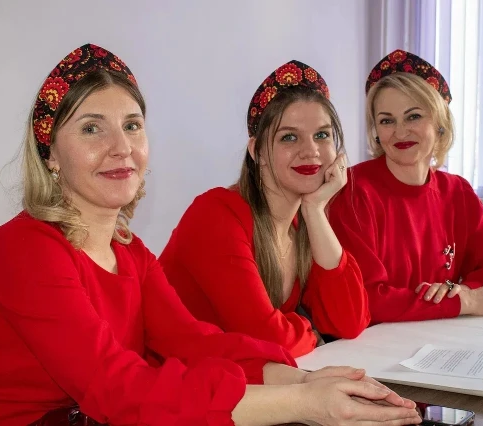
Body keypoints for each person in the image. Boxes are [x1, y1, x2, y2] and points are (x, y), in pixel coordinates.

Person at [0, 44, 421, 426]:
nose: (121, 147)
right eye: (92, 129)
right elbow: (116, 387)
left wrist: (300, 380)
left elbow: (194, 342)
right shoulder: (26, 251)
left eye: (132, 126)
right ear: (50, 153)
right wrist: (304, 402)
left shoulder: (129, 252)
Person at [159, 60, 370, 358]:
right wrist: (309, 330)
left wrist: (314, 210)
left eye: (322, 135)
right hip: (177, 379)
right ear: (256, 151)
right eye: (289, 137)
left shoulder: (299, 226)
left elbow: (349, 322)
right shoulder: (216, 214)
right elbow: (265, 338)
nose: (311, 150)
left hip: (241, 379)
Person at [329, 49, 483, 324]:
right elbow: (366, 299)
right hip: (374, 343)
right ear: (376, 131)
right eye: (387, 120)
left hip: (439, 336)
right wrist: (461, 302)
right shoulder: (352, 192)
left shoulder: (458, 193)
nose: (400, 132)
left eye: (413, 116)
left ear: (440, 123)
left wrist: (462, 291)